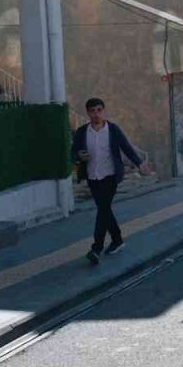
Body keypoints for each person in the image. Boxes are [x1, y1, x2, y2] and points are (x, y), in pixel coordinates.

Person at [72, 98, 152, 266]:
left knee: (102, 209)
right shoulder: (81, 132)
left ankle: (96, 248)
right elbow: (73, 152)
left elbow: (126, 147)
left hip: (110, 176)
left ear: (104, 111)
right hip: (92, 176)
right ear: (88, 113)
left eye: (99, 110)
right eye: (93, 111)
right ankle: (117, 240)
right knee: (105, 209)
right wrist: (79, 156)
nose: (96, 114)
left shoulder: (113, 130)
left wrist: (139, 164)